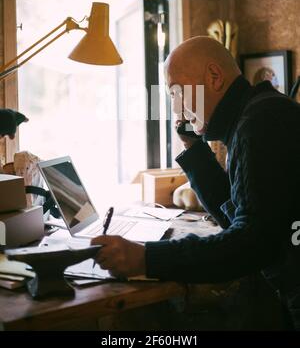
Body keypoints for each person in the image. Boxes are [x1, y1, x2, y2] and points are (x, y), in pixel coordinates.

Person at [91, 37, 300, 329]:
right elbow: (239, 217)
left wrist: (146, 258)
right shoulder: (255, 115)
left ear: (214, 77)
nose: (176, 110)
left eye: (177, 93)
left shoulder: (261, 123)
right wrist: (193, 147)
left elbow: (251, 244)